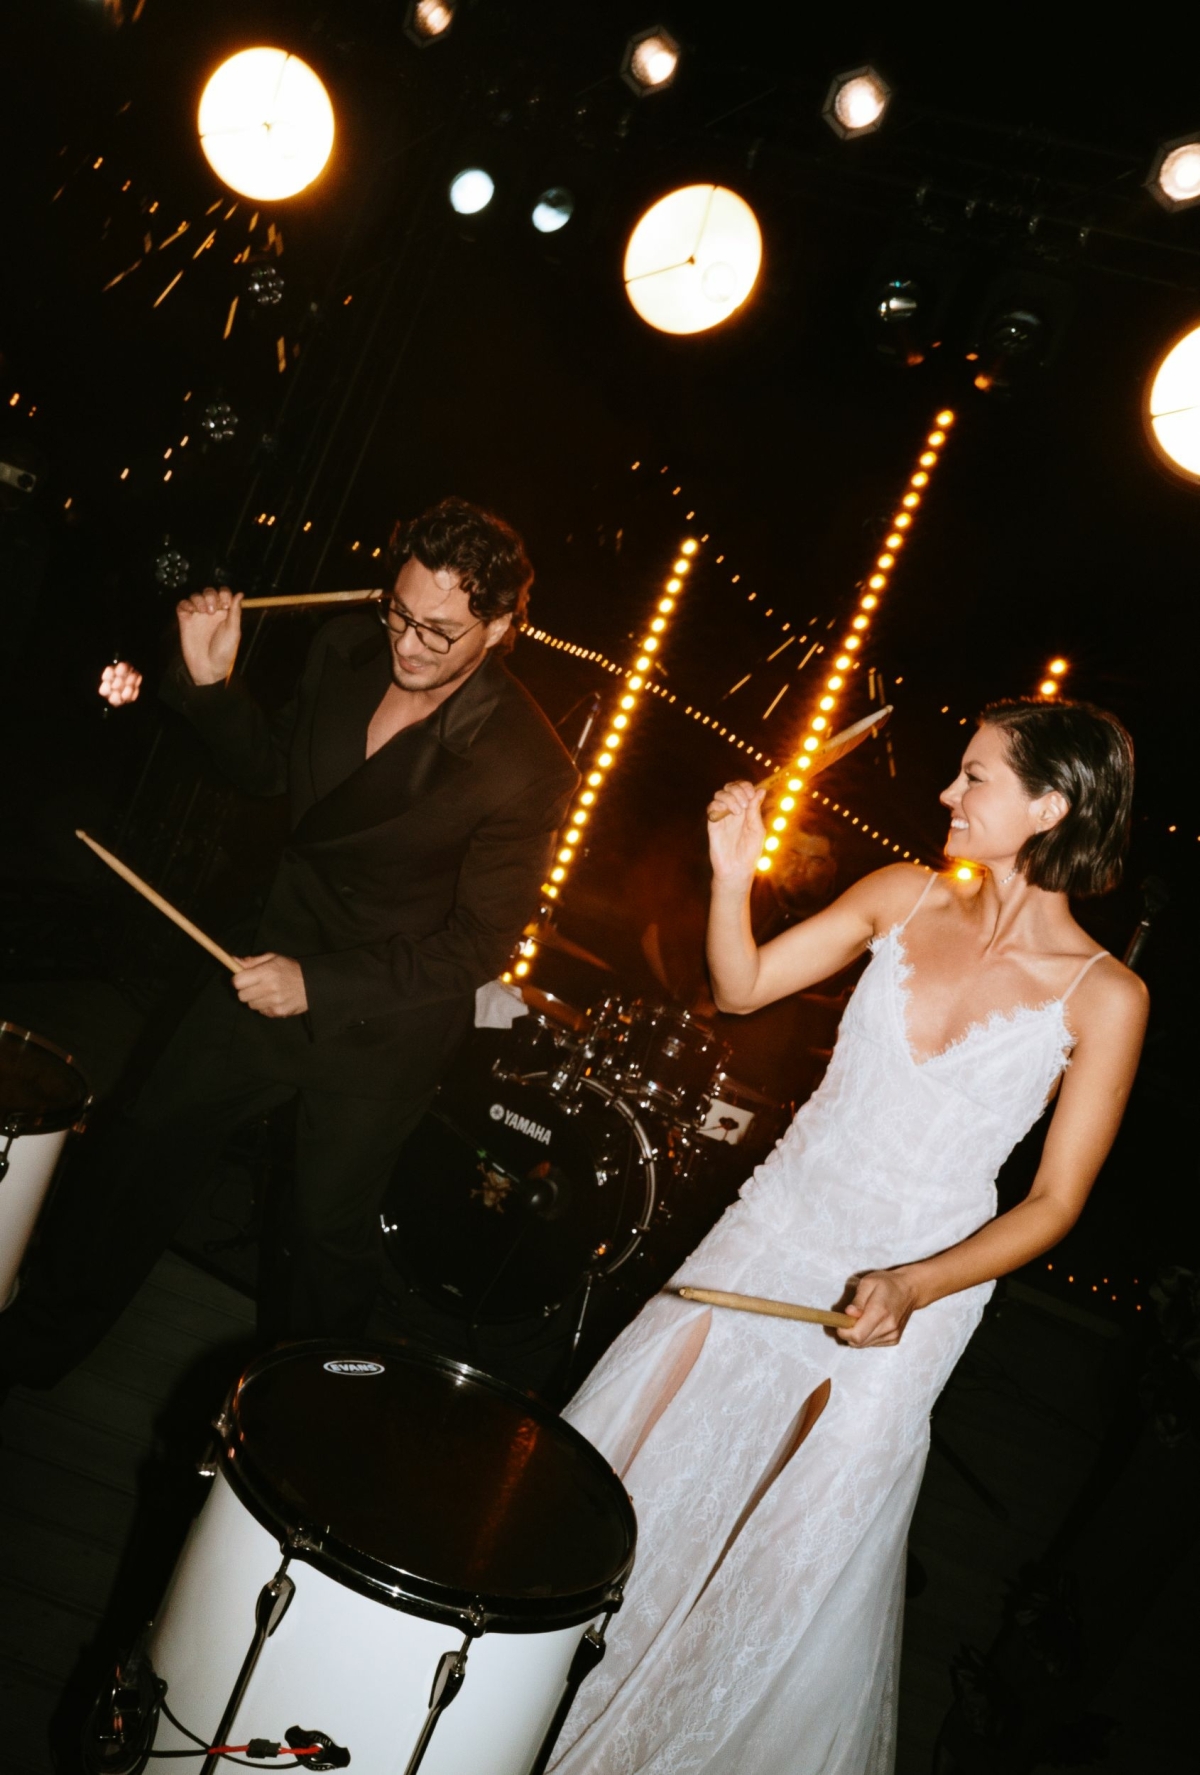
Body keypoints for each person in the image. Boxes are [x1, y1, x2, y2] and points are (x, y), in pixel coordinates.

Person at [551, 698, 1147, 1775]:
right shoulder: (899, 892)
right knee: (649, 1468)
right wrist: (731, 874)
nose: (947, 793)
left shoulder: (1107, 995)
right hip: (780, 1221)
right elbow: (740, 988)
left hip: (918, 1288)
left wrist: (917, 1283)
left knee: (786, 1552)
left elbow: (1055, 1202)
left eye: (975, 776)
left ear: (1051, 805)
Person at [1, 498, 577, 1385]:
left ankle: (297, 1427)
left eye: (439, 630)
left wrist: (319, 984)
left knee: (320, 1242)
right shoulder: (343, 646)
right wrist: (210, 688)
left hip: (379, 1020)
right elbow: (271, 769)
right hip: (266, 954)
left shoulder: (526, 764)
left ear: (499, 627)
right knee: (136, 1153)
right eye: (399, 611)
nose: (409, 642)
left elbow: (478, 945)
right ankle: (28, 1351)